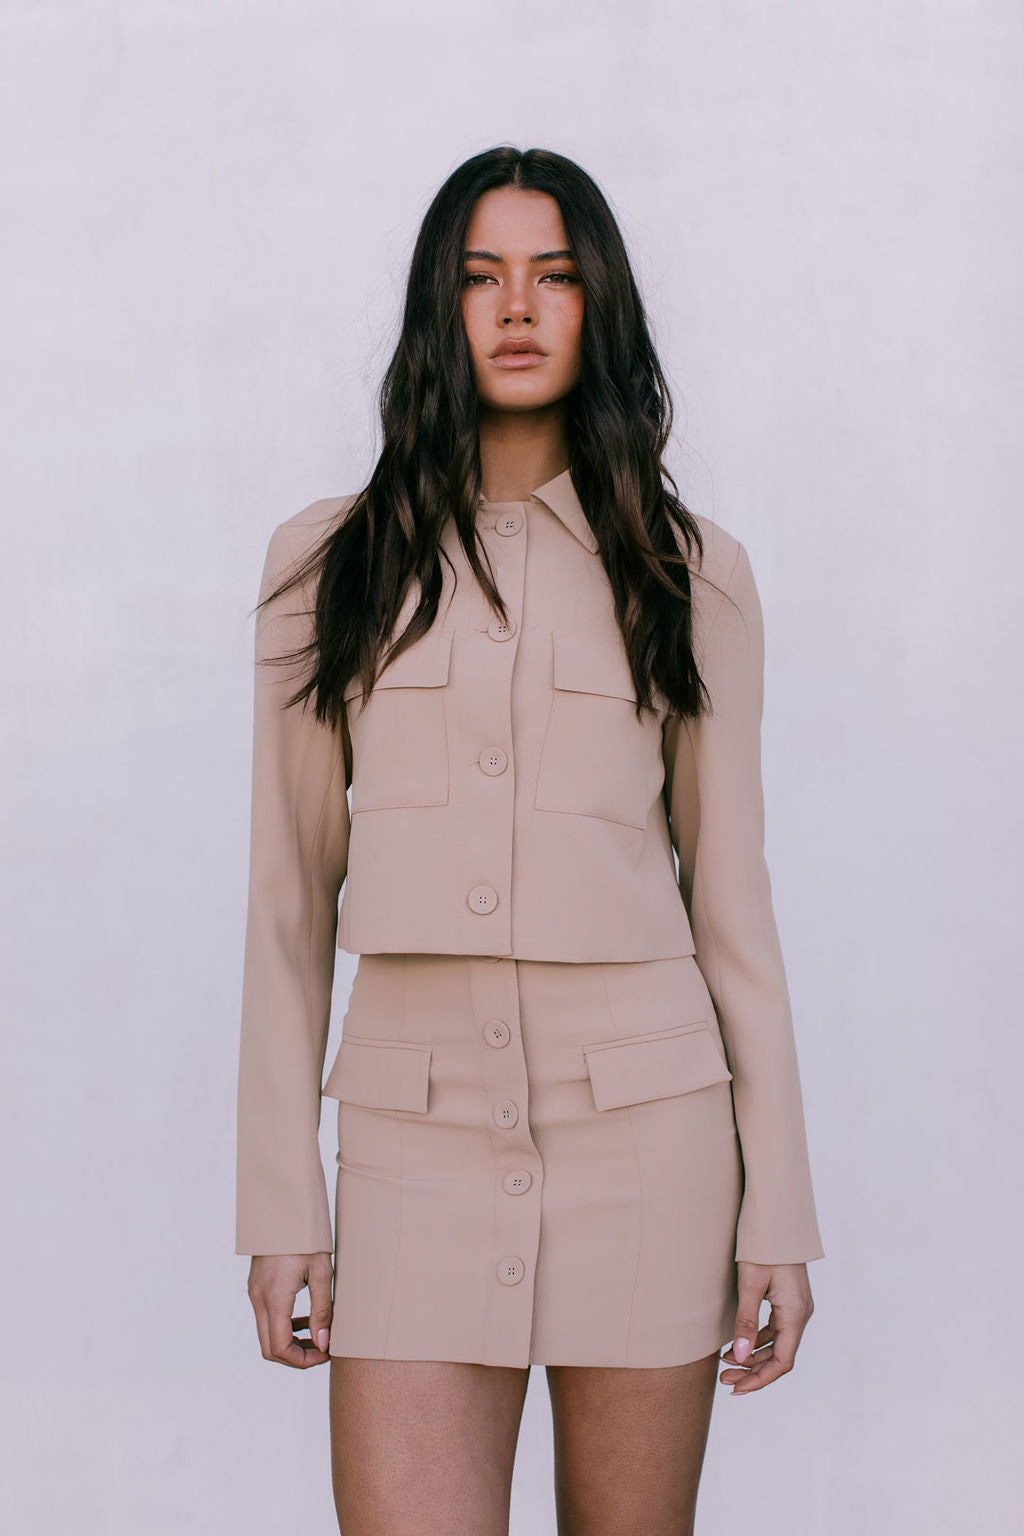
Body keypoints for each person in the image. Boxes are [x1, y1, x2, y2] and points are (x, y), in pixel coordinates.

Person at [235, 145, 825, 1536]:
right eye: (480, 277)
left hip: (649, 1147)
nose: (516, 306)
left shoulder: (692, 573)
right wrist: (279, 1205)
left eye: (553, 276)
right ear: (438, 309)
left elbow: (732, 907)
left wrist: (779, 1215)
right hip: (408, 1154)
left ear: (596, 306)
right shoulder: (328, 568)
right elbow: (283, 906)